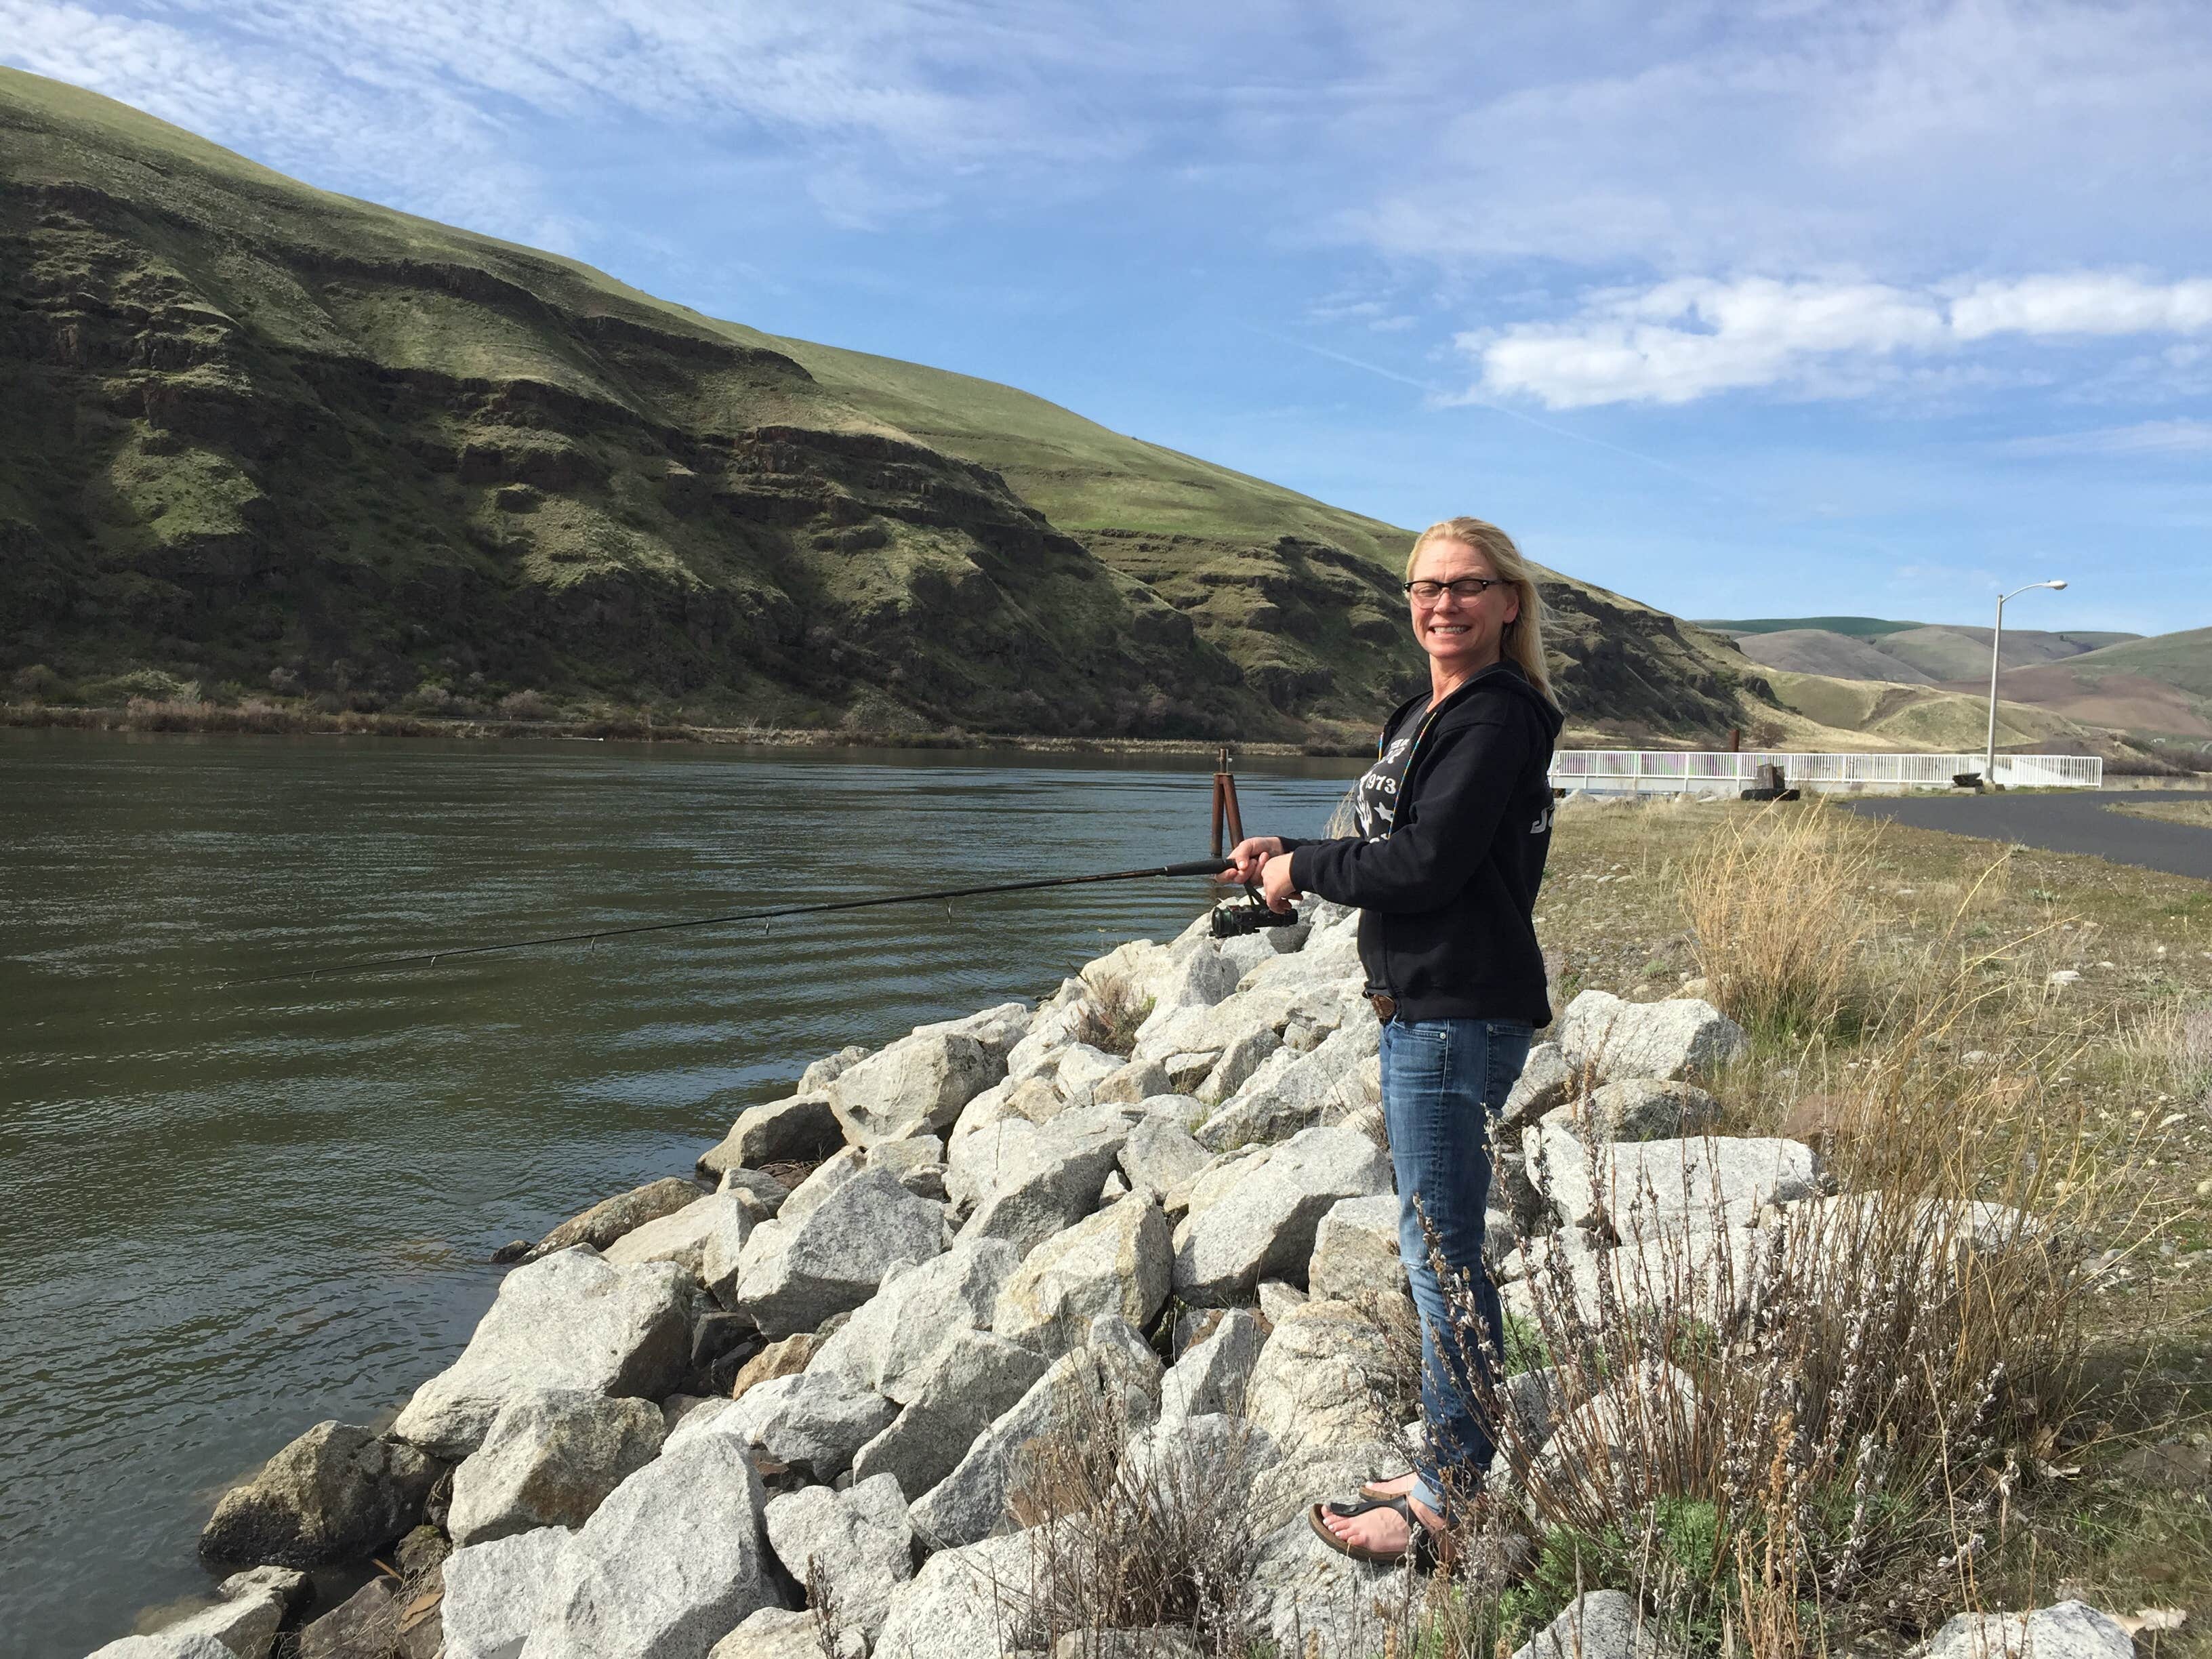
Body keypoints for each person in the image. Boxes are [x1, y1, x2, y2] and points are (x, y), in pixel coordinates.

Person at [1222, 515, 1562, 1568]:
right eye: (1425, 586)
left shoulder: (1498, 717)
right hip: (1423, 1003)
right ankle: (1448, 1456)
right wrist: (1298, 853)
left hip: (1455, 1009)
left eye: (1465, 586)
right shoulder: (1425, 711)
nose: (1441, 603)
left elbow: (1427, 869)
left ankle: (1449, 1494)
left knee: (1443, 1251)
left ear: (1510, 601)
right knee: (1435, 1243)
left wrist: (1304, 878)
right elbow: (1387, 843)